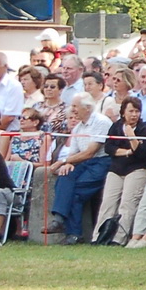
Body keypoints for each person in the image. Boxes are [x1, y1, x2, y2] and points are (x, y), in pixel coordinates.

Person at [49, 94, 111, 243]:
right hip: (83, 162)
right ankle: (61, 222)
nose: (73, 110)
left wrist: (63, 161)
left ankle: (71, 231)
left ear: (87, 108)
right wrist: (68, 164)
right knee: (65, 175)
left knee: (75, 193)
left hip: (101, 162)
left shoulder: (101, 122)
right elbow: (74, 153)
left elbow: (91, 152)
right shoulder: (78, 127)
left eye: (76, 106)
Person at [96, 97, 146, 244]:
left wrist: (131, 136)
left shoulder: (143, 128)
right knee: (108, 203)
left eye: (137, 111)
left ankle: (118, 239)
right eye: (131, 111)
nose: (134, 114)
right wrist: (127, 151)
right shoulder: (115, 126)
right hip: (116, 169)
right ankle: (99, 237)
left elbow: (141, 152)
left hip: (137, 169)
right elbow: (109, 148)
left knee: (127, 204)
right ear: (123, 112)